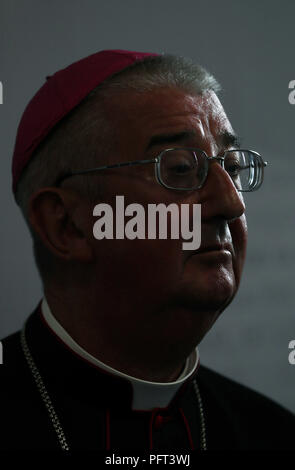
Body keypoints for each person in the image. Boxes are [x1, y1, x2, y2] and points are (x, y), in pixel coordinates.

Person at [0, 49, 293, 451]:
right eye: (178, 169)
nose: (232, 203)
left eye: (232, 167)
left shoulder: (272, 434)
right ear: (65, 225)